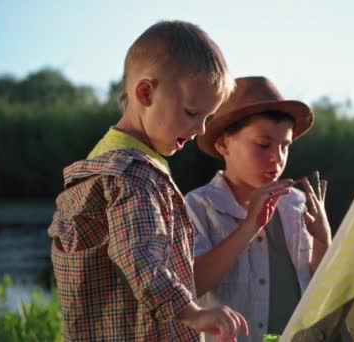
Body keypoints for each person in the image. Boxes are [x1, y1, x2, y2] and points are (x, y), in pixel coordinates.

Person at [48, 20, 248, 341]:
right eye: (191, 112)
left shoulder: (102, 162)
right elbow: (140, 258)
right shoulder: (133, 176)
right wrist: (193, 313)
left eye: (207, 118)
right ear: (145, 92)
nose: (199, 129)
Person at [186, 76, 332, 341]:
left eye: (285, 146)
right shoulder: (198, 206)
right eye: (263, 145)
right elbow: (189, 285)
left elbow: (319, 285)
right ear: (223, 144)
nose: (277, 158)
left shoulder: (296, 203)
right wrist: (249, 227)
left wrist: (323, 240)